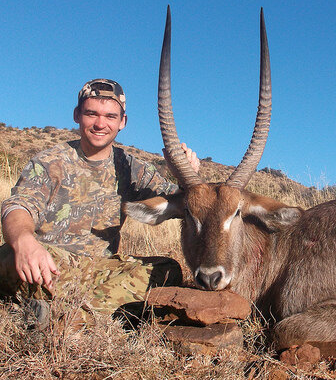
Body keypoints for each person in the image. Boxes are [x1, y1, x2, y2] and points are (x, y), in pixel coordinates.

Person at [0, 79, 199, 326]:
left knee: (168, 270)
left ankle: (68, 315)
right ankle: (81, 309)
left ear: (122, 122)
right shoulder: (50, 161)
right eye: (91, 113)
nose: (100, 124)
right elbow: (18, 207)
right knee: (8, 254)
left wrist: (186, 178)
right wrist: (24, 241)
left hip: (98, 271)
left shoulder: (131, 167)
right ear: (77, 115)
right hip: (46, 264)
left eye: (110, 116)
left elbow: (181, 202)